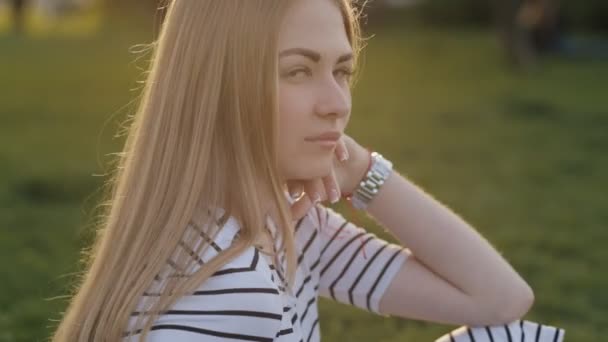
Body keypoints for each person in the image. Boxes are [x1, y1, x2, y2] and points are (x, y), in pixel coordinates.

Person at [50, 0, 537, 341]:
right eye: (298, 71)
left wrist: (360, 170)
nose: (337, 105)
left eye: (341, 71)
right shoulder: (230, 285)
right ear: (220, 88)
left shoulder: (291, 225)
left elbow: (501, 301)